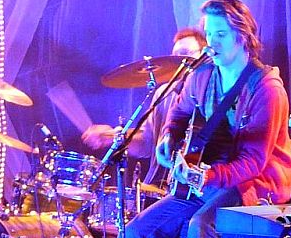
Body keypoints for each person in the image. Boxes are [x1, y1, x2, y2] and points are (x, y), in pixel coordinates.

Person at [122, 0, 291, 238]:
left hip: (254, 187)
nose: (211, 43)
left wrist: (208, 176)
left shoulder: (267, 89)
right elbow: (179, 113)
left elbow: (253, 162)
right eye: (209, 33)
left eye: (220, 34)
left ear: (242, 36)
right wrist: (168, 138)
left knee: (202, 227)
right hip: (207, 182)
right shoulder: (201, 76)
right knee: (133, 235)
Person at [82, 27, 207, 188]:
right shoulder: (165, 94)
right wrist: (112, 136)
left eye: (185, 54)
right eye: (175, 56)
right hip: (157, 185)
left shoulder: (211, 94)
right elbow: (147, 143)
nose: (179, 62)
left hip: (195, 186)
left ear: (205, 56)